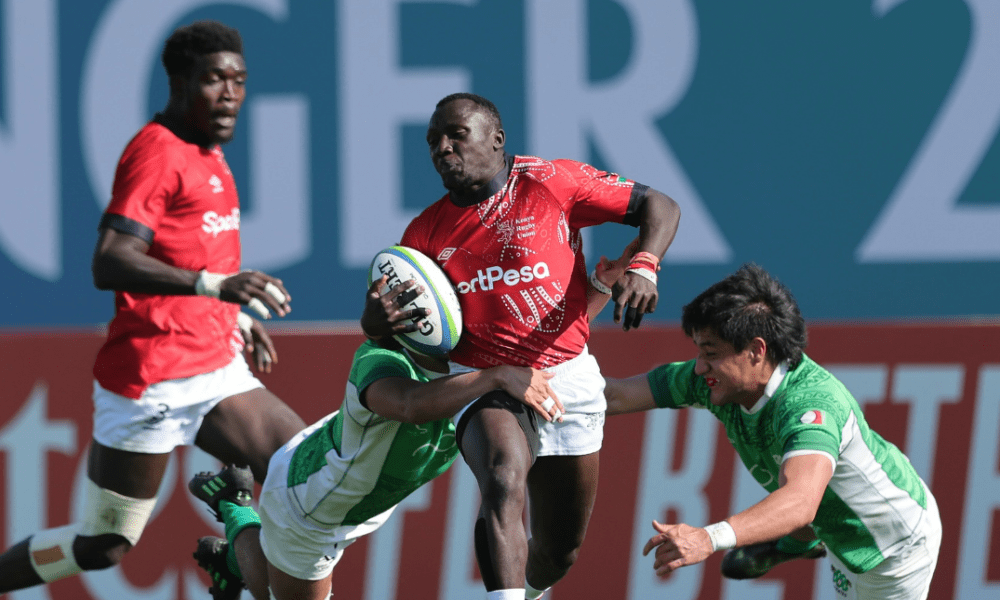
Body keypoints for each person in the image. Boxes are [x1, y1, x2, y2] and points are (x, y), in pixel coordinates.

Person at [0, 20, 306, 596]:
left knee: (303, 468)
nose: (231, 93)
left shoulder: (209, 153)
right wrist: (216, 288)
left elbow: (193, 252)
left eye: (239, 80)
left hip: (213, 366)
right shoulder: (157, 153)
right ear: (180, 81)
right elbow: (110, 259)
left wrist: (232, 316)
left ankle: (238, 540)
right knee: (105, 545)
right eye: (215, 79)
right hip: (150, 379)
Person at [362, 92, 682, 600]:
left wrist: (645, 264)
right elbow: (410, 343)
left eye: (456, 135)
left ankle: (527, 591)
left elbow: (659, 205)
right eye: (432, 141)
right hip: (485, 380)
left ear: (497, 139)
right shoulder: (422, 235)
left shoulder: (553, 182)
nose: (442, 149)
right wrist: (376, 324)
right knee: (502, 478)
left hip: (568, 377)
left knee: (559, 552)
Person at [185, 274, 567, 600]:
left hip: (339, 481)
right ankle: (235, 508)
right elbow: (410, 405)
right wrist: (497, 376)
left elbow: (590, 379)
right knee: (271, 591)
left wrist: (608, 278)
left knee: (280, 576)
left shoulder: (474, 365)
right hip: (311, 508)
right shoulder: (383, 361)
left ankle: (231, 546)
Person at [603, 263, 942, 599]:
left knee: (803, 497)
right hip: (839, 527)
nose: (699, 365)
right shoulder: (714, 381)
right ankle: (798, 541)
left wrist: (708, 538)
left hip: (892, 546)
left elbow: (799, 501)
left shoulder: (810, 405)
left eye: (710, 353)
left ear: (756, 350)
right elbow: (615, 396)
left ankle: (797, 539)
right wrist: (551, 377)